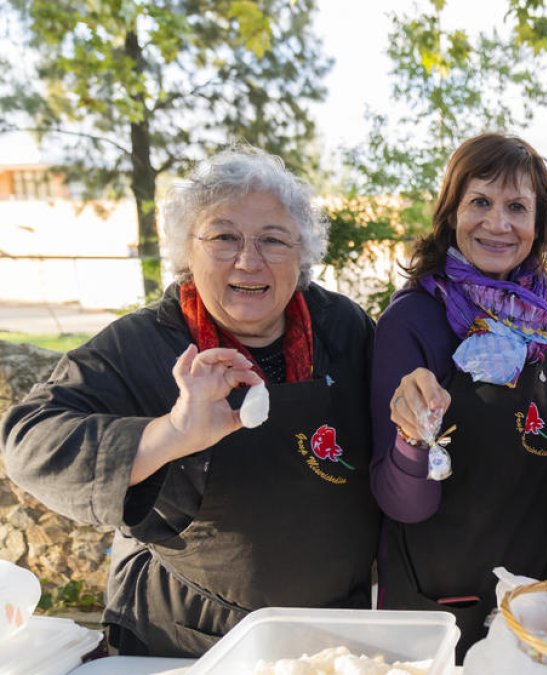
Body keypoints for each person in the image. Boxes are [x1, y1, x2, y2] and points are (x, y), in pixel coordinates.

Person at [1, 146, 380, 657]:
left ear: (302, 254)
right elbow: (28, 441)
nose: (249, 260)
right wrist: (170, 435)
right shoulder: (141, 345)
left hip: (334, 640)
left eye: (273, 240)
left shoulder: (343, 327)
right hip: (187, 641)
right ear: (187, 250)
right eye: (224, 237)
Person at [371, 133, 547, 659]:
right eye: (480, 202)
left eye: (517, 207)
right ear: (452, 212)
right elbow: (398, 502)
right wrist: (412, 439)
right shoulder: (411, 322)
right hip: (447, 601)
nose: (498, 224)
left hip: (545, 591)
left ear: (539, 225)